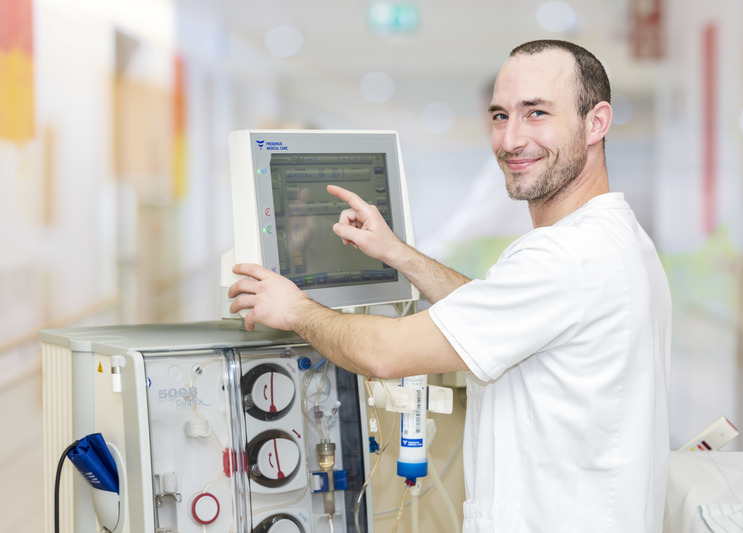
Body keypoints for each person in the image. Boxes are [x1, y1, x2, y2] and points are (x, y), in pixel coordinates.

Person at [229, 39, 671, 533]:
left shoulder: (567, 256)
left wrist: (294, 309)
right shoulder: (614, 237)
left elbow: (384, 354)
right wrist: (399, 254)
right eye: (500, 116)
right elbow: (491, 311)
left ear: (596, 122)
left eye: (537, 113)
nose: (510, 139)